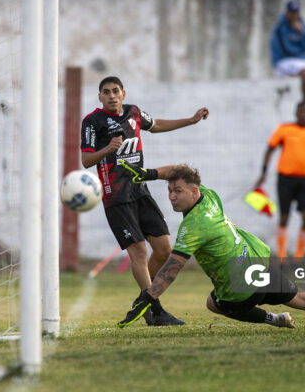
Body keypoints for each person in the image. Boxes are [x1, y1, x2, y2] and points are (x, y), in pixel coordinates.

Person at [116, 164, 305, 332]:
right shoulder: (209, 196)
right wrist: (150, 174)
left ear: (193, 192)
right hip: (259, 264)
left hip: (240, 287)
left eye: (177, 191)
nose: (172, 197)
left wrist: (148, 297)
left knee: (214, 304)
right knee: (302, 298)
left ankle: (272, 319)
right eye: (170, 191)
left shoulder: (193, 227)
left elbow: (172, 270)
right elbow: (179, 170)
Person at [80, 76, 209, 326]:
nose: (111, 95)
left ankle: (144, 299)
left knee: (164, 249)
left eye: (115, 91)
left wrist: (191, 120)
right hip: (115, 195)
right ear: (100, 97)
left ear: (123, 94)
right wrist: (108, 149)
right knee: (139, 251)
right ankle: (155, 311)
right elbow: (86, 161)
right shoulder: (92, 122)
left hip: (140, 191)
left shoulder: (134, 112)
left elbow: (156, 124)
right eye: (106, 92)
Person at [255, 102, 305, 259]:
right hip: (285, 179)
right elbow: (270, 149)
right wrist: (263, 172)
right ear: (296, 114)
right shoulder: (285, 129)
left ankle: (299, 255)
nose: (304, 115)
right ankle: (282, 256)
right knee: (284, 217)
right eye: (301, 112)